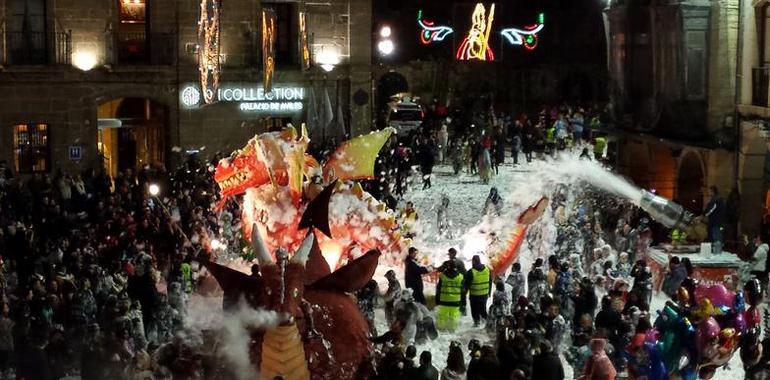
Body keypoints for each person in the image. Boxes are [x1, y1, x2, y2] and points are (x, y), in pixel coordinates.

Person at [435, 262, 464, 332]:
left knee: (442, 316)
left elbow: (438, 288)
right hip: (455, 300)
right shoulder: (460, 276)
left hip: (444, 300)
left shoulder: (442, 276)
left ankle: (441, 330)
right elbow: (463, 289)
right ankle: (452, 330)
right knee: (454, 316)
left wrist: (437, 299)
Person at [465, 255, 492, 327]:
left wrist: (463, 295)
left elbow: (466, 285)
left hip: (474, 296)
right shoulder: (487, 269)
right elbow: (490, 282)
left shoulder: (471, 272)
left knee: (475, 312)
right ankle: (488, 324)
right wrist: (489, 293)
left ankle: (476, 325)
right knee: (483, 310)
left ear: (473, 261)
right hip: (484, 295)